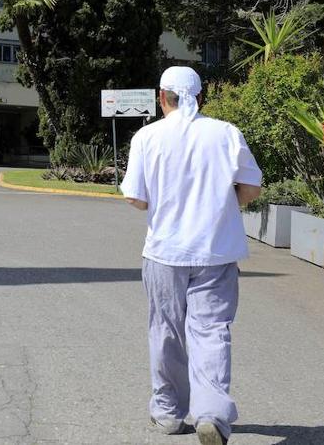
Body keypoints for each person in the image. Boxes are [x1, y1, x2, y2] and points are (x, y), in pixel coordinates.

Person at [120, 66, 262, 445]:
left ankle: (167, 414)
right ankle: (212, 412)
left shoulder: (147, 137)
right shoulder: (226, 133)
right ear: (201, 98)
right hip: (216, 251)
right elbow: (250, 186)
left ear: (161, 96)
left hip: (165, 252)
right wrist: (224, 204)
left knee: (165, 331)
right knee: (212, 331)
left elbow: (135, 197)